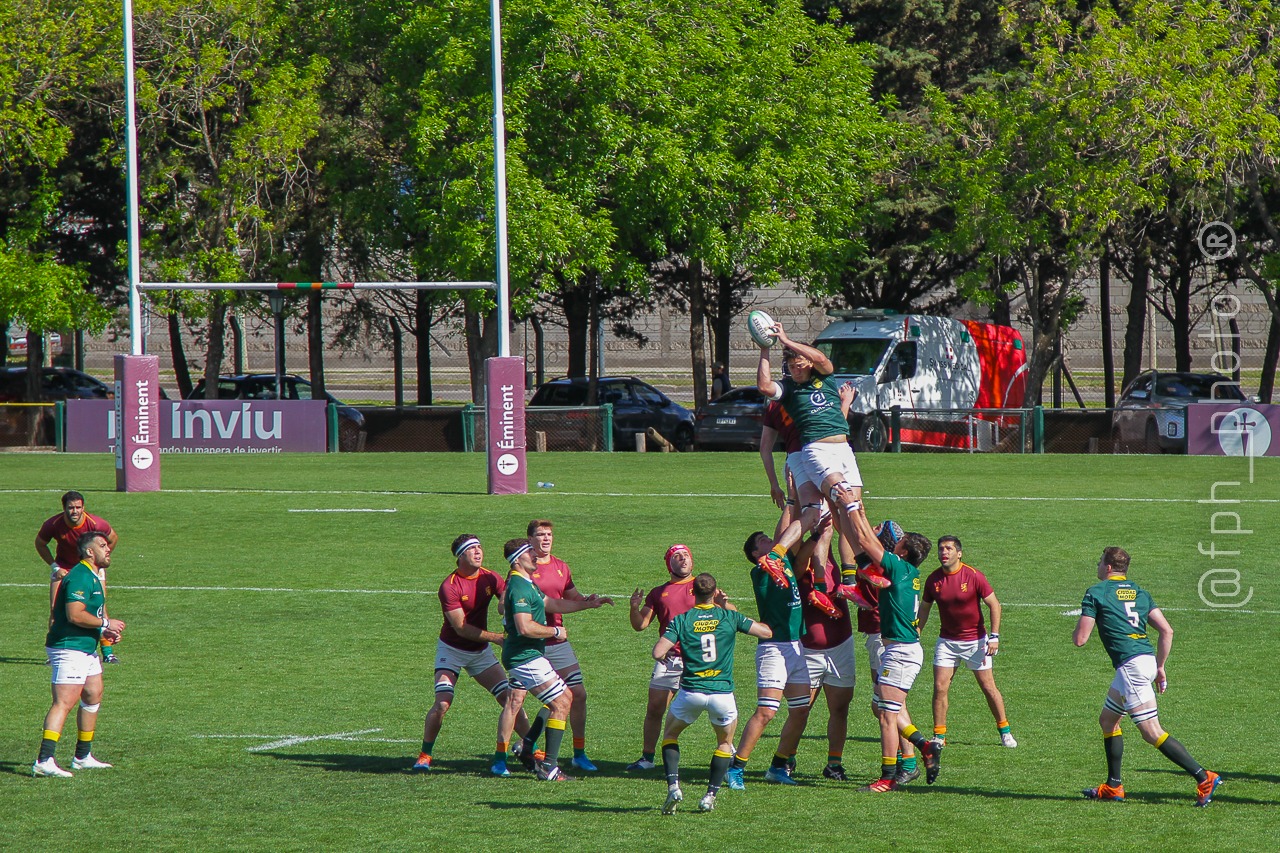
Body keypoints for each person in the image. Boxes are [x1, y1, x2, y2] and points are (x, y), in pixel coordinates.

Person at [1073, 547, 1221, 806]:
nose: (1097, 566)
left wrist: (1086, 616)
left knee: (1152, 732)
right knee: (1108, 721)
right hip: (1145, 661)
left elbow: (1080, 640)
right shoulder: (1140, 592)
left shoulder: (1096, 592)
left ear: (1108, 567)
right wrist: (1160, 667)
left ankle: (1204, 776)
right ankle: (1113, 786)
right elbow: (1167, 631)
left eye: (1099, 562)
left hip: (1130, 668)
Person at [753, 326, 888, 594]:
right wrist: (765, 348)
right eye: (791, 366)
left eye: (799, 364)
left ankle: (859, 564)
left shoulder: (825, 378)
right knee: (841, 499)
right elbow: (764, 386)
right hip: (816, 451)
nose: (795, 369)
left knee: (853, 509)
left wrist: (788, 340)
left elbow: (823, 360)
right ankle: (864, 564)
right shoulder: (789, 389)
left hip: (845, 451)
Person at [652, 572, 773, 814]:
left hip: (690, 692)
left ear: (692, 593)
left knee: (670, 735)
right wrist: (727, 606)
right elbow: (766, 632)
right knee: (725, 743)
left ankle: (674, 786)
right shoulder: (728, 616)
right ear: (715, 592)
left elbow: (658, 652)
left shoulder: (682, 619)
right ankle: (709, 795)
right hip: (722, 694)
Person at [415, 534, 530, 776]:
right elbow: (461, 628)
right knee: (443, 703)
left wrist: (509, 602)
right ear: (460, 557)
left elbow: (503, 602)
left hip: (480, 653)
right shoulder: (449, 586)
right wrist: (497, 637)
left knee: (509, 699)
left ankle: (533, 747)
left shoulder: (490, 577)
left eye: (480, 547)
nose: (479, 552)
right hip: (452, 650)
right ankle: (425, 754)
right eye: (472, 549)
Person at [845, 501, 940, 792]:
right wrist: (856, 514)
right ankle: (925, 746)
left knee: (887, 715)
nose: (892, 543)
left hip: (900, 652)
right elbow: (864, 550)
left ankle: (887, 779)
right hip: (901, 650)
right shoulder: (907, 572)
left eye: (897, 542)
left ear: (902, 551)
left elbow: (863, 540)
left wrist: (853, 508)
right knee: (881, 707)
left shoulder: (898, 567)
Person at [498, 538, 608, 781]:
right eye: (529, 552)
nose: (535, 555)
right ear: (517, 559)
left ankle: (528, 745)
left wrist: (587, 605)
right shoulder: (518, 587)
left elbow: (553, 603)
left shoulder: (529, 583)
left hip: (529, 655)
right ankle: (549, 766)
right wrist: (554, 632)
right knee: (561, 702)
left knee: (563, 698)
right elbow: (524, 626)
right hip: (524, 657)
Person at [33, 530, 126, 777]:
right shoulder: (81, 577)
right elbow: (75, 614)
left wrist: (104, 632)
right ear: (89, 551)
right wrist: (106, 624)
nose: (108, 549)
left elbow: (92, 616)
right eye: (103, 545)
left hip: (85, 648)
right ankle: (44, 759)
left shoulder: (93, 576)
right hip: (68, 647)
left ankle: (82, 756)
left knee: (93, 694)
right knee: (64, 702)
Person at [524, 519, 613, 772]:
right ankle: (514, 750)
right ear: (530, 539)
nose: (546, 539)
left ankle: (578, 752)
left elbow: (570, 595)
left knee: (577, 695)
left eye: (549, 534)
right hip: (531, 645)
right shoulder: (524, 569)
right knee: (517, 700)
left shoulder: (561, 566)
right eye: (540, 535)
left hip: (558, 641)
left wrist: (588, 600)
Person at [725, 531, 811, 789]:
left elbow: (793, 539)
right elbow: (789, 526)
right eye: (762, 539)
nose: (769, 539)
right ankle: (736, 767)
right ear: (755, 553)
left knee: (801, 710)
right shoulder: (761, 572)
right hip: (774, 649)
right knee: (766, 712)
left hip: (796, 646)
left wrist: (817, 531)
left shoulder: (782, 562)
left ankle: (778, 766)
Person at [918, 535, 1017, 749]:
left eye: (949, 549)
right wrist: (916, 632)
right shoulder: (933, 580)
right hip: (947, 643)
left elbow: (994, 605)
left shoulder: (974, 576)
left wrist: (995, 636)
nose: (944, 553)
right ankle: (939, 735)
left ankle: (1005, 730)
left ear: (959, 553)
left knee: (988, 687)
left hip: (976, 643)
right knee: (940, 687)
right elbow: (924, 608)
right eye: (941, 549)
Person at [625, 544, 698, 771]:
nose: (683, 559)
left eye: (686, 555)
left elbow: (727, 613)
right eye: (677, 556)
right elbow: (640, 625)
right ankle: (647, 758)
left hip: (699, 660)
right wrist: (634, 608)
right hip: (669, 660)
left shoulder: (703, 585)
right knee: (655, 708)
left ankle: (728, 754)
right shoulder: (658, 593)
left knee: (715, 707)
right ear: (669, 564)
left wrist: (725, 604)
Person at [36, 491, 119, 663]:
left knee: (100, 608)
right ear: (64, 508)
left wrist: (99, 562)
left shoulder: (96, 523)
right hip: (64, 568)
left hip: (90, 567)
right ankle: (55, 653)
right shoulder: (53, 524)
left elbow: (112, 538)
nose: (75, 511)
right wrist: (54, 566)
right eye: (71, 508)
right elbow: (40, 543)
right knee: (55, 609)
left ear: (83, 508)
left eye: (78, 507)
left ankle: (108, 652)